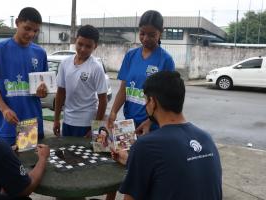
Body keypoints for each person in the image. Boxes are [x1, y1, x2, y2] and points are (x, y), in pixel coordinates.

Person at [112, 71, 222, 200]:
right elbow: (175, 170)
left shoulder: (146, 145)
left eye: (145, 100)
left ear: (152, 102)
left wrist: (138, 155)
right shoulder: (206, 138)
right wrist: (131, 160)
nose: (146, 106)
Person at [0, 7, 48, 146]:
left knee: (29, 165)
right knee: (7, 166)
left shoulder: (40, 53)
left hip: (31, 123)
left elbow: (44, 89)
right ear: (17, 22)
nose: (31, 34)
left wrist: (42, 92)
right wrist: (4, 109)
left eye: (35, 31)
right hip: (8, 123)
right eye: (27, 28)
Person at [108, 10, 175, 133]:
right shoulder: (130, 56)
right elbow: (124, 89)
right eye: (142, 33)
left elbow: (168, 99)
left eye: (151, 35)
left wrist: (151, 121)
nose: (145, 38)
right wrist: (113, 112)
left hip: (153, 127)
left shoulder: (166, 60)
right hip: (129, 125)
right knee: (126, 152)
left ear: (161, 33)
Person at [53, 25, 108, 137]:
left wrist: (95, 128)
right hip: (67, 121)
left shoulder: (96, 67)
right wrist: (56, 119)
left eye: (88, 46)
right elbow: (60, 92)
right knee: (67, 153)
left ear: (95, 46)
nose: (83, 49)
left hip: (86, 123)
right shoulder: (65, 63)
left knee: (82, 154)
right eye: (80, 44)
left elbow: (103, 100)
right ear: (75, 41)